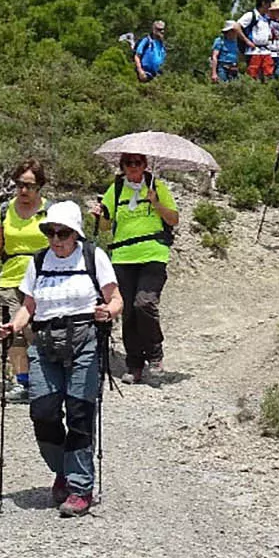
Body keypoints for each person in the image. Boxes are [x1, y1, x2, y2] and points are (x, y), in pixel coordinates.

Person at [0, 201, 121, 518]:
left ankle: (80, 488)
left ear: (75, 233)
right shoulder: (38, 262)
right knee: (43, 412)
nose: (55, 239)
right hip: (45, 343)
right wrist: (14, 326)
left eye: (62, 233)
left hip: (84, 341)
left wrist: (108, 312)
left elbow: (116, 299)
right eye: (50, 232)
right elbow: (28, 306)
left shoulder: (94, 257)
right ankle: (64, 469)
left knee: (79, 413)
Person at [89, 153, 179, 385]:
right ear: (122, 166)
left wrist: (155, 203)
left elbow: (173, 219)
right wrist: (100, 216)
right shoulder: (116, 189)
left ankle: (155, 353)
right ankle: (134, 363)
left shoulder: (157, 186)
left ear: (145, 165)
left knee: (144, 303)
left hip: (153, 253)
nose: (132, 167)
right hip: (122, 256)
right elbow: (107, 225)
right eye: (128, 163)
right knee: (127, 310)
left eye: (137, 163)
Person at [0, 161, 50, 402]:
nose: (23, 191)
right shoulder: (5, 210)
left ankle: (47, 377)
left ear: (39, 187)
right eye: (19, 185)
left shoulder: (51, 210)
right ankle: (23, 382)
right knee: (15, 331)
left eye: (29, 186)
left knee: (34, 328)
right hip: (10, 277)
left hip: (43, 277)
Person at [233, 0, 272, 81]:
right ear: (263, 3)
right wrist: (246, 41)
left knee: (268, 73)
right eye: (268, 4)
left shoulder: (266, 18)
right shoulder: (251, 15)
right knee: (253, 74)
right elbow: (236, 26)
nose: (270, 6)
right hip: (254, 51)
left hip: (265, 50)